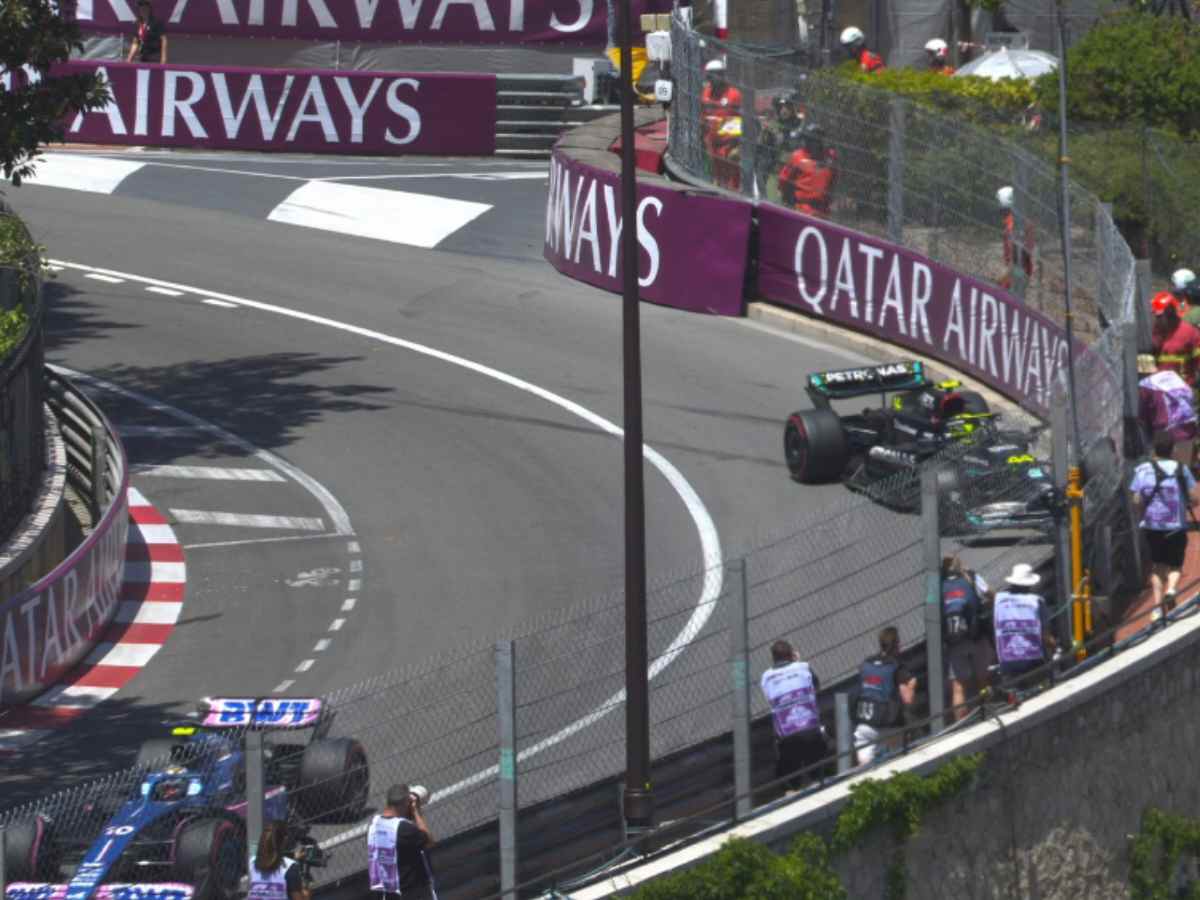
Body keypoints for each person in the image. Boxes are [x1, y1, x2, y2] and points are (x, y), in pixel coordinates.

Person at [1130, 429, 1198, 617]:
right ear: (1173, 449)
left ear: (1154, 449)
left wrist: (1142, 511)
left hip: (1153, 526)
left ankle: (1157, 607)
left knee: (1158, 566)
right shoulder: (1181, 469)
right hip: (1176, 525)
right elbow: (1195, 498)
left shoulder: (1143, 470)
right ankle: (1172, 590)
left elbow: (1136, 499)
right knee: (1175, 564)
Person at [759, 639, 827, 793]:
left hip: (787, 737)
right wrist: (798, 661)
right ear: (792, 654)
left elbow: (770, 699)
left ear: (773, 658)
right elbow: (816, 687)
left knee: (787, 775)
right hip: (811, 731)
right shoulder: (804, 667)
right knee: (817, 769)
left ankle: (792, 790)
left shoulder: (766, 678)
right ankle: (818, 782)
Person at [853, 626, 916, 765]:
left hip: (864, 724)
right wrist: (912, 684)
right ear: (897, 644)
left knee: (865, 771)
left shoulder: (866, 663)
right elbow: (908, 699)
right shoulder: (896, 666)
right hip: (888, 726)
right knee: (901, 761)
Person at [941, 556, 994, 721]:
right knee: (983, 679)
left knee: (958, 687)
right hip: (976, 637)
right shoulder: (971, 577)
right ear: (960, 567)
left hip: (954, 641)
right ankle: (986, 715)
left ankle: (961, 726)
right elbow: (991, 594)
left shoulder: (937, 586)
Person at [368, 784, 437, 899]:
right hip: (412, 891)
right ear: (405, 803)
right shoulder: (404, 830)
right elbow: (429, 841)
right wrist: (416, 812)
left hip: (388, 890)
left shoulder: (374, 825)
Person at [993, 564, 1055, 682]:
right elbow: (1046, 637)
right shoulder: (1036, 602)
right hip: (1032, 661)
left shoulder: (999, 600)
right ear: (1029, 584)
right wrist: (1054, 645)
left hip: (1007, 661)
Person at [1137, 353, 1197, 466]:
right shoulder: (1173, 376)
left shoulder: (1146, 385)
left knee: (1162, 472)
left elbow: (1142, 417)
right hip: (1187, 428)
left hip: (1164, 432)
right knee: (1182, 472)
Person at [700, 59, 743, 191]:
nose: (713, 78)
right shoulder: (705, 93)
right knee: (716, 181)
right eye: (710, 75)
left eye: (717, 74)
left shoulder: (734, 94)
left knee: (732, 182)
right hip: (711, 145)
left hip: (730, 146)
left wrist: (738, 145)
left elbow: (744, 121)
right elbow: (702, 116)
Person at [777, 124, 836, 217]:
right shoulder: (798, 156)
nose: (815, 143)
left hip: (822, 211)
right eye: (811, 140)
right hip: (802, 208)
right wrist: (788, 199)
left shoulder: (830, 157)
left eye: (817, 140)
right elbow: (784, 180)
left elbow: (833, 181)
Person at [248, 821, 308, 900]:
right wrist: (306, 892)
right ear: (284, 840)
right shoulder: (290, 868)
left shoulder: (252, 862)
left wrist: (293, 856)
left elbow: (271, 857)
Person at [1151, 291, 1200, 388]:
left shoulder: (1190, 333)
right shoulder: (1154, 331)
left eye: (1161, 316)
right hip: (1157, 389)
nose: (1158, 319)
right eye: (1157, 316)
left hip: (1182, 389)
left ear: (1172, 312)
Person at [997, 186, 1035, 292]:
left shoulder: (1012, 227)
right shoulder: (1024, 223)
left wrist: (1002, 279)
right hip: (1021, 273)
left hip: (1015, 276)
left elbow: (1016, 259)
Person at [127, 0, 168, 64]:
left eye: (145, 6)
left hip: (155, 57)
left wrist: (163, 58)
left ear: (149, 8)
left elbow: (164, 40)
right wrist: (129, 59)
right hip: (143, 57)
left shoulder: (156, 22)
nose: (143, 8)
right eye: (140, 7)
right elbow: (135, 43)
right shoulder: (137, 24)